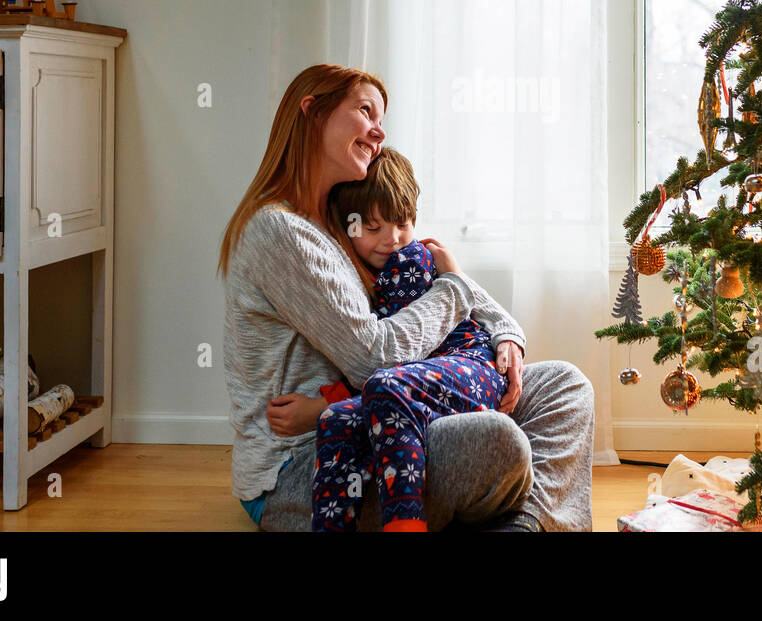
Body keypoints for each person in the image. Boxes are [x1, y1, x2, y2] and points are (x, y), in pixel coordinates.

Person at [218, 63, 594, 531]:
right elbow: (373, 359)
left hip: (388, 423)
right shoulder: (281, 231)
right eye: (365, 110)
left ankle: (523, 526)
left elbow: (436, 278)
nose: (378, 131)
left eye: (382, 120)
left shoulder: (343, 221)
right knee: (497, 442)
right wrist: (453, 285)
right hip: (310, 467)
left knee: (565, 385)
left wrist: (506, 333)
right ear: (313, 113)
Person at [311, 148, 514, 531]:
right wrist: (330, 403)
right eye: (374, 228)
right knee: (335, 420)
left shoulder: (411, 261)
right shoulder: (346, 272)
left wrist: (334, 391)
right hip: (420, 381)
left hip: (471, 367)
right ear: (346, 225)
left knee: (384, 385)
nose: (393, 239)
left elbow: (386, 356)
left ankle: (405, 524)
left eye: (403, 223)